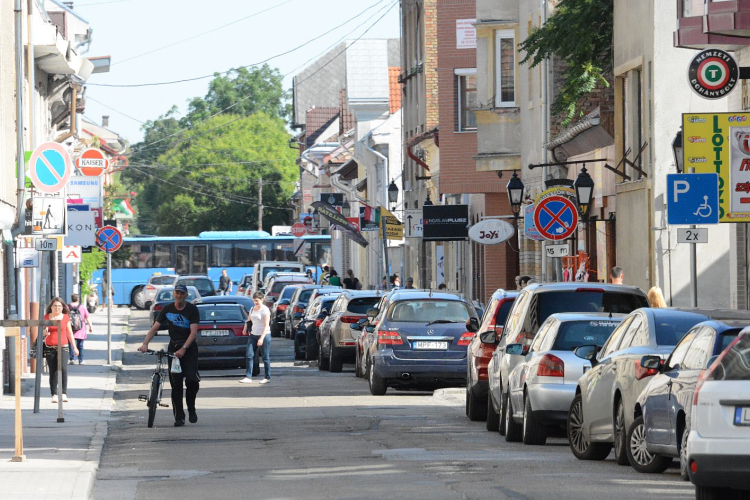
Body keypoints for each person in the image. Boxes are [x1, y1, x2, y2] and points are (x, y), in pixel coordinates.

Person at [139, 284, 200, 427]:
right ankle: (179, 416)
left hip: (189, 349)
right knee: (176, 384)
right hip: (174, 347)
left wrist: (184, 349)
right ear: (174, 294)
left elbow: (193, 332)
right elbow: (155, 328)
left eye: (182, 294)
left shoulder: (192, 309)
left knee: (192, 381)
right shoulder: (167, 309)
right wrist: (145, 343)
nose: (179, 296)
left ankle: (191, 407)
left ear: (186, 296)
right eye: (177, 293)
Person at [43, 297, 79, 403]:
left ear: (62, 307)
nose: (57, 308)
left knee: (63, 369)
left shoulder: (65, 317)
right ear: (51, 307)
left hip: (63, 346)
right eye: (55, 306)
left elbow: (69, 333)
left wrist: (74, 347)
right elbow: (43, 331)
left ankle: (63, 393)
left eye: (59, 306)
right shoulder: (47, 317)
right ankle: (54, 394)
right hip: (50, 347)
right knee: (53, 371)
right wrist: (45, 333)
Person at [239, 292, 271, 384]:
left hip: (264, 335)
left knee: (265, 357)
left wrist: (261, 338)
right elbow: (248, 321)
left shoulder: (265, 310)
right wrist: (245, 329)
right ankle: (248, 377)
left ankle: (267, 377)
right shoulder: (252, 309)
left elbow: (266, 326)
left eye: (257, 301)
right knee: (249, 355)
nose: (255, 303)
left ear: (262, 300)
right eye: (254, 301)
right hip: (253, 335)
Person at [67, 294, 93, 365]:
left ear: (71, 299)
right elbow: (87, 317)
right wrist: (90, 326)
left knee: (71, 344)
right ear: (78, 299)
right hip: (81, 329)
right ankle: (81, 360)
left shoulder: (67, 307)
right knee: (80, 345)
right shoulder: (82, 307)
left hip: (70, 328)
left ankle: (72, 359)